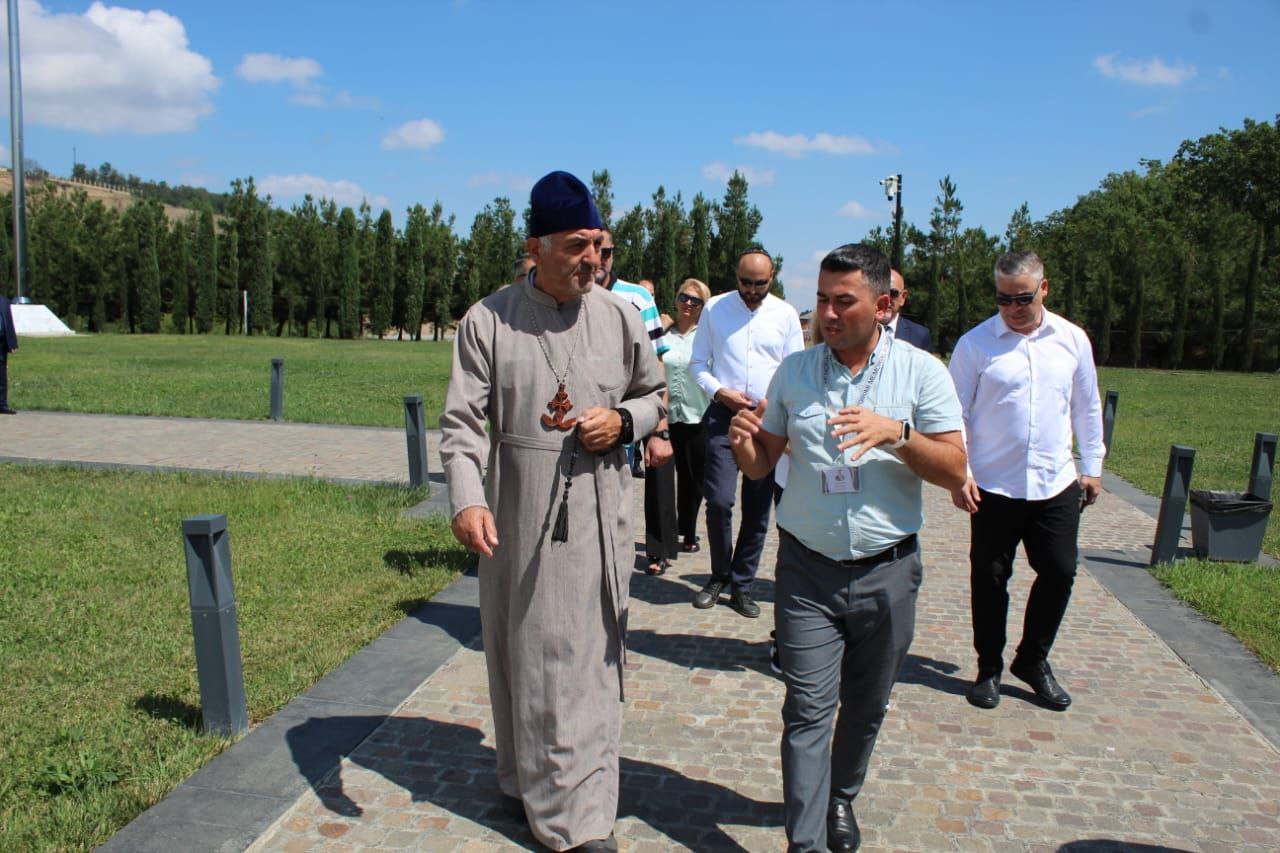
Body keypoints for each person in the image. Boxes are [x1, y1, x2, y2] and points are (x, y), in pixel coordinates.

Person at [439, 170, 666, 852]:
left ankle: (576, 820)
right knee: (521, 653)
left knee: (576, 662)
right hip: (517, 508)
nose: (592, 260)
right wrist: (467, 498)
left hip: (598, 515)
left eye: (597, 244)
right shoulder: (489, 319)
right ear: (534, 247)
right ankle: (520, 778)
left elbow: (657, 397)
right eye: (575, 246)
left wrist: (624, 422)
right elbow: (461, 425)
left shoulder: (621, 315)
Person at [728, 243, 966, 852]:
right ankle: (804, 845)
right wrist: (744, 445)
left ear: (883, 305)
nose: (827, 315)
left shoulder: (921, 372)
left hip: (889, 573)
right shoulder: (796, 372)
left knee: (866, 705)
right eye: (821, 301)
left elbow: (954, 468)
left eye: (844, 302)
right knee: (808, 710)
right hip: (807, 570)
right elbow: (761, 467)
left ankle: (841, 796)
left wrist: (899, 435)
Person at [948, 249, 1104, 712]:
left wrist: (1091, 465)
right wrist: (962, 472)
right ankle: (989, 668)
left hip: (1055, 482)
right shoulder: (976, 345)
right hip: (993, 485)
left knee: (1059, 570)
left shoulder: (1072, 340)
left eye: (1023, 299)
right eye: (1003, 299)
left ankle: (1033, 660)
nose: (1013, 309)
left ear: (1044, 289)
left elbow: (1086, 406)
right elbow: (952, 414)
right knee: (991, 577)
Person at [689, 247, 804, 617]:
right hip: (724, 416)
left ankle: (743, 584)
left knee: (757, 509)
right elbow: (697, 364)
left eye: (760, 283)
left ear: (772, 277)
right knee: (720, 501)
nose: (752, 290)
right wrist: (719, 391)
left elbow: (795, 370)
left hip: (767, 420)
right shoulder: (715, 309)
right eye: (744, 282)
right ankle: (719, 573)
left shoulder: (785, 314)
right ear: (735, 275)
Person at [595, 234, 677, 575]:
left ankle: (623, 564)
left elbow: (659, 363)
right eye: (592, 249)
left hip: (629, 415)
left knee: (618, 494)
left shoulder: (637, 298)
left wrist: (660, 426)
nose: (599, 258)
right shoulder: (568, 295)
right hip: (583, 416)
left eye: (607, 251)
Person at [662, 278, 712, 554]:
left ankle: (689, 531)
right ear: (676, 298)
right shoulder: (663, 334)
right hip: (667, 417)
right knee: (665, 479)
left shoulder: (706, 338)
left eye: (695, 300)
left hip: (698, 417)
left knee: (694, 479)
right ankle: (667, 530)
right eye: (684, 297)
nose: (688, 304)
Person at [881, 269, 932, 352]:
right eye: (880, 292)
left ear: (903, 297)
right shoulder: (857, 332)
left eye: (893, 293)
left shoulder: (920, 336)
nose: (886, 299)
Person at [0, 293, 17, 415]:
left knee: (1, 375)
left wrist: (12, 343)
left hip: (1, 343)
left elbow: (9, 323)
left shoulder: (4, 301)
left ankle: (2, 404)